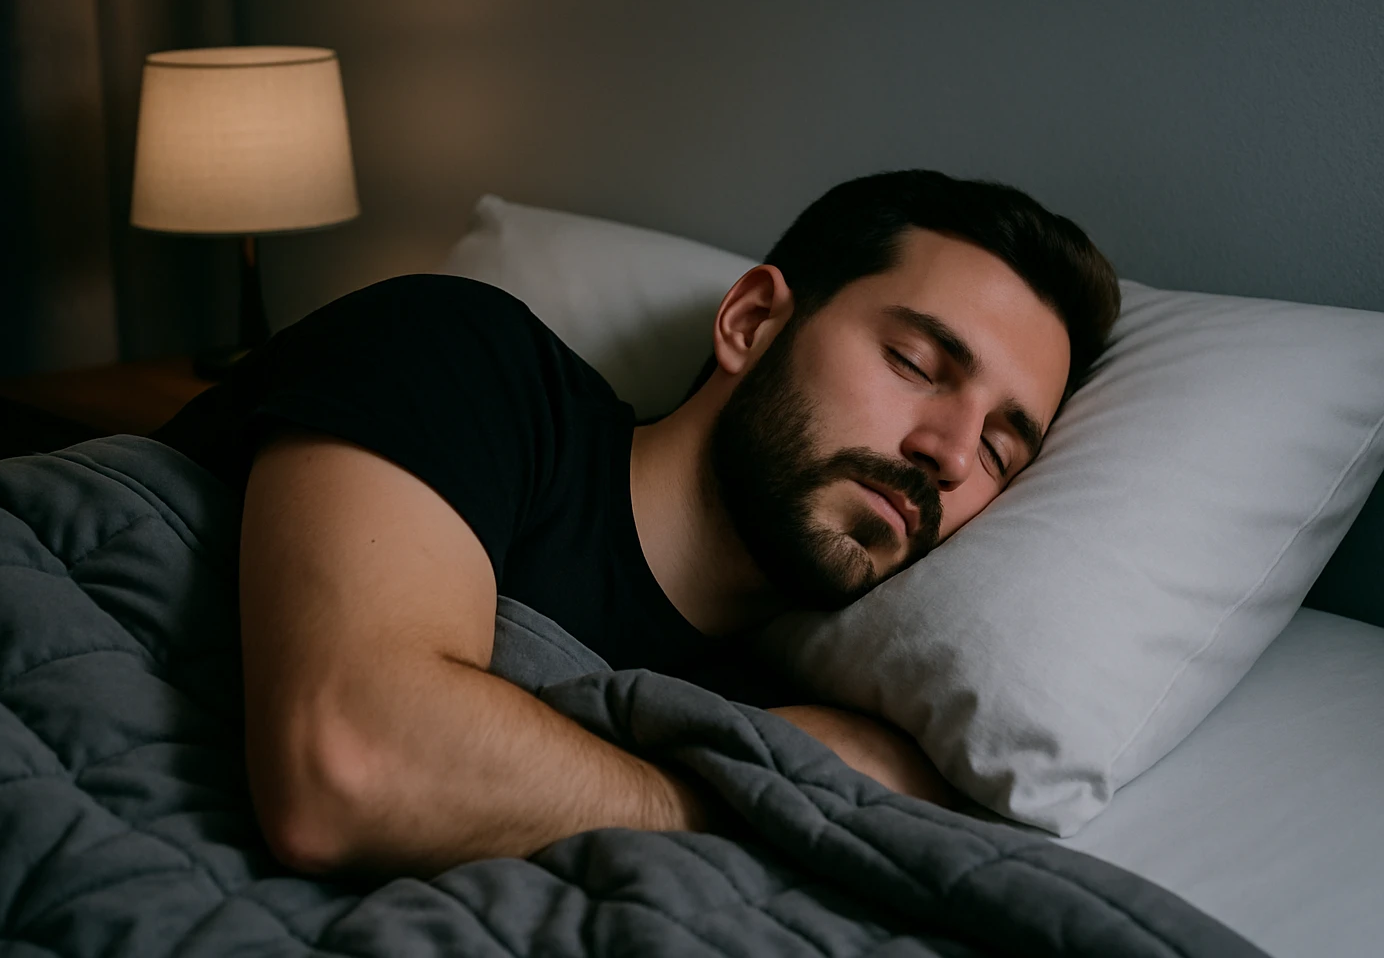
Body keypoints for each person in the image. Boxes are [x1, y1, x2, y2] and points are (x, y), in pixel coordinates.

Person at [153, 169, 1120, 879]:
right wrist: (748, 792)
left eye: (1001, 449)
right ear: (749, 322)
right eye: (915, 362)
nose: (950, 454)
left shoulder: (787, 715)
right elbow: (348, 764)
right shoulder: (469, 363)